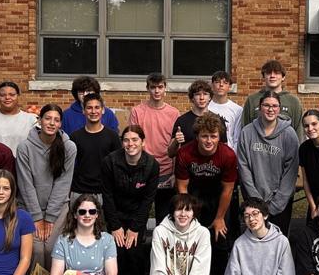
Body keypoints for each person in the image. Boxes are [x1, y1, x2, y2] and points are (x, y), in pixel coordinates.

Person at [175, 112, 239, 275]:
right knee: (192, 240)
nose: (209, 141)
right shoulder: (185, 153)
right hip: (194, 197)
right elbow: (182, 187)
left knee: (220, 241)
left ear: (219, 137)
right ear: (197, 136)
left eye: (213, 136)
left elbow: (228, 190)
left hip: (219, 198)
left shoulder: (228, 155)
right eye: (204, 136)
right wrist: (188, 216)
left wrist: (219, 218)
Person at [100, 125, 159, 275]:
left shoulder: (151, 165)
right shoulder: (110, 162)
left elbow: (148, 200)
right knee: (117, 252)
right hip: (115, 213)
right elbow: (107, 196)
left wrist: (135, 228)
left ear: (143, 142)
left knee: (134, 252)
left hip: (137, 216)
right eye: (126, 140)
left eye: (135, 140)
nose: (130, 144)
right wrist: (115, 226)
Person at [15, 104, 77, 274]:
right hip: (30, 207)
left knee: (51, 249)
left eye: (56, 120)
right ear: (39, 121)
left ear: (60, 124)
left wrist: (49, 217)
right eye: (48, 118)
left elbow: (63, 183)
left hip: (57, 209)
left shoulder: (69, 147)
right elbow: (25, 184)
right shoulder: (24, 147)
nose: (51, 123)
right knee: (36, 250)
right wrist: (36, 217)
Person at [237, 91, 300, 235]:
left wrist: (277, 203)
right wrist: (255, 201)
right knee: (254, 239)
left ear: (279, 109)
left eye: (274, 106)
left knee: (278, 240)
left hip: (280, 203)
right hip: (253, 200)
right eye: (266, 105)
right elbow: (243, 167)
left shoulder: (289, 134)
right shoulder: (247, 132)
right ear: (260, 108)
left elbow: (290, 171)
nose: (270, 109)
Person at [129, 73, 181, 223]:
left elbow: (177, 145)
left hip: (166, 170)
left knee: (164, 220)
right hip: (143, 170)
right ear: (147, 88)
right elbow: (133, 142)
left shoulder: (174, 113)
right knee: (138, 219)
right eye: (153, 87)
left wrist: (174, 173)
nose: (157, 91)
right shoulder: (137, 112)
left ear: (165, 88)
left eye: (160, 87)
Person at [68, 93, 121, 201]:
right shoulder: (75, 137)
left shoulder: (112, 136)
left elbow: (118, 166)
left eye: (97, 107)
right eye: (89, 108)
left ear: (103, 110)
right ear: (83, 111)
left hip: (105, 192)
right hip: (79, 191)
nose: (93, 111)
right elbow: (69, 165)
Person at [168, 79, 225, 156]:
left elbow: (224, 151)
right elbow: (170, 154)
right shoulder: (182, 121)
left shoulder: (218, 120)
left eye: (205, 94)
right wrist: (176, 141)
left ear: (210, 98)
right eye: (197, 94)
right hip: (188, 162)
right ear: (192, 98)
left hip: (212, 162)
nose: (202, 98)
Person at [0, 81, 37, 154]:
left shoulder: (30, 119)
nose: (7, 97)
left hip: (20, 160)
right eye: (2, 95)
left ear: (18, 96)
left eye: (12, 95)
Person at [242, 59, 302, 126]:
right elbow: (245, 128)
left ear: (283, 77)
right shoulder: (252, 100)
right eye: (268, 73)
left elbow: (299, 129)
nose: (272, 76)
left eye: (276, 73)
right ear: (264, 76)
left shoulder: (293, 101)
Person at [208, 71, 243, 150]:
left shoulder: (237, 110)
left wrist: (232, 154)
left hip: (228, 151)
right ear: (212, 85)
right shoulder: (206, 107)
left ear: (229, 86)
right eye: (217, 82)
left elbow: (237, 137)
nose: (221, 85)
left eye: (225, 82)